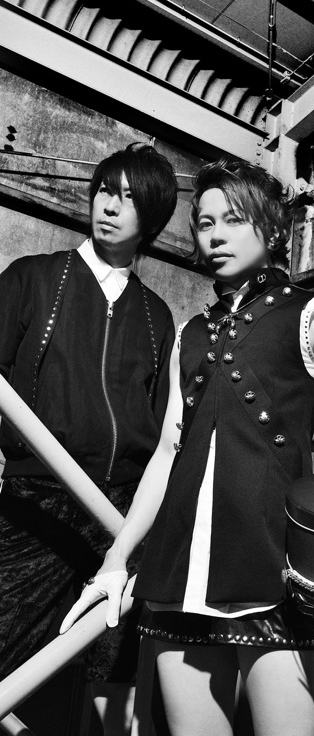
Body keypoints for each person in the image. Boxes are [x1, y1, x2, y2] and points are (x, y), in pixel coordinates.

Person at [61, 158, 314, 736]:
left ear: (274, 229)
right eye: (205, 223)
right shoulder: (189, 332)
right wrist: (116, 558)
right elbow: (168, 452)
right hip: (178, 578)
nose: (215, 235)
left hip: (273, 570)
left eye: (233, 219)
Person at [0, 143, 178, 736]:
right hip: (37, 501)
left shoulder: (157, 314)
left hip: (119, 516)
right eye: (105, 190)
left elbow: (163, 430)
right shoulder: (32, 278)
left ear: (152, 219)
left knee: (107, 672)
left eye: (129, 198)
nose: (111, 206)